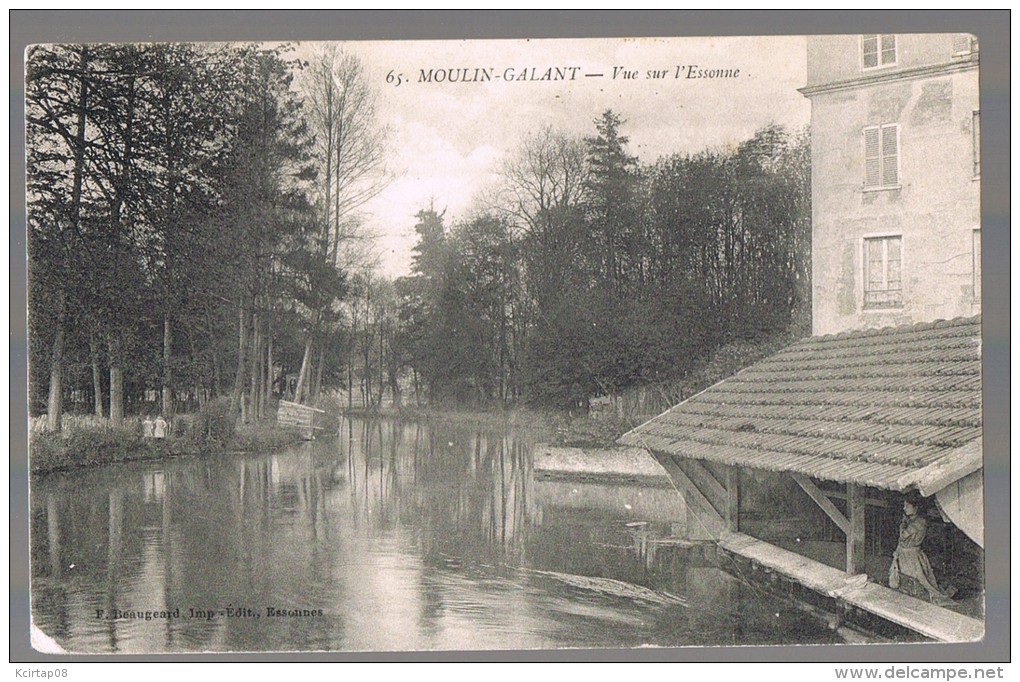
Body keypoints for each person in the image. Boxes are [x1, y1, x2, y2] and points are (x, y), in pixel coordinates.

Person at [889, 497, 954, 605]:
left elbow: (903, 535)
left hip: (912, 555)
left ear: (916, 508)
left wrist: (902, 524)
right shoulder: (910, 520)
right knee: (901, 576)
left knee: (920, 579)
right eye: (904, 506)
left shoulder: (920, 522)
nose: (904, 508)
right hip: (904, 553)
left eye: (907, 506)